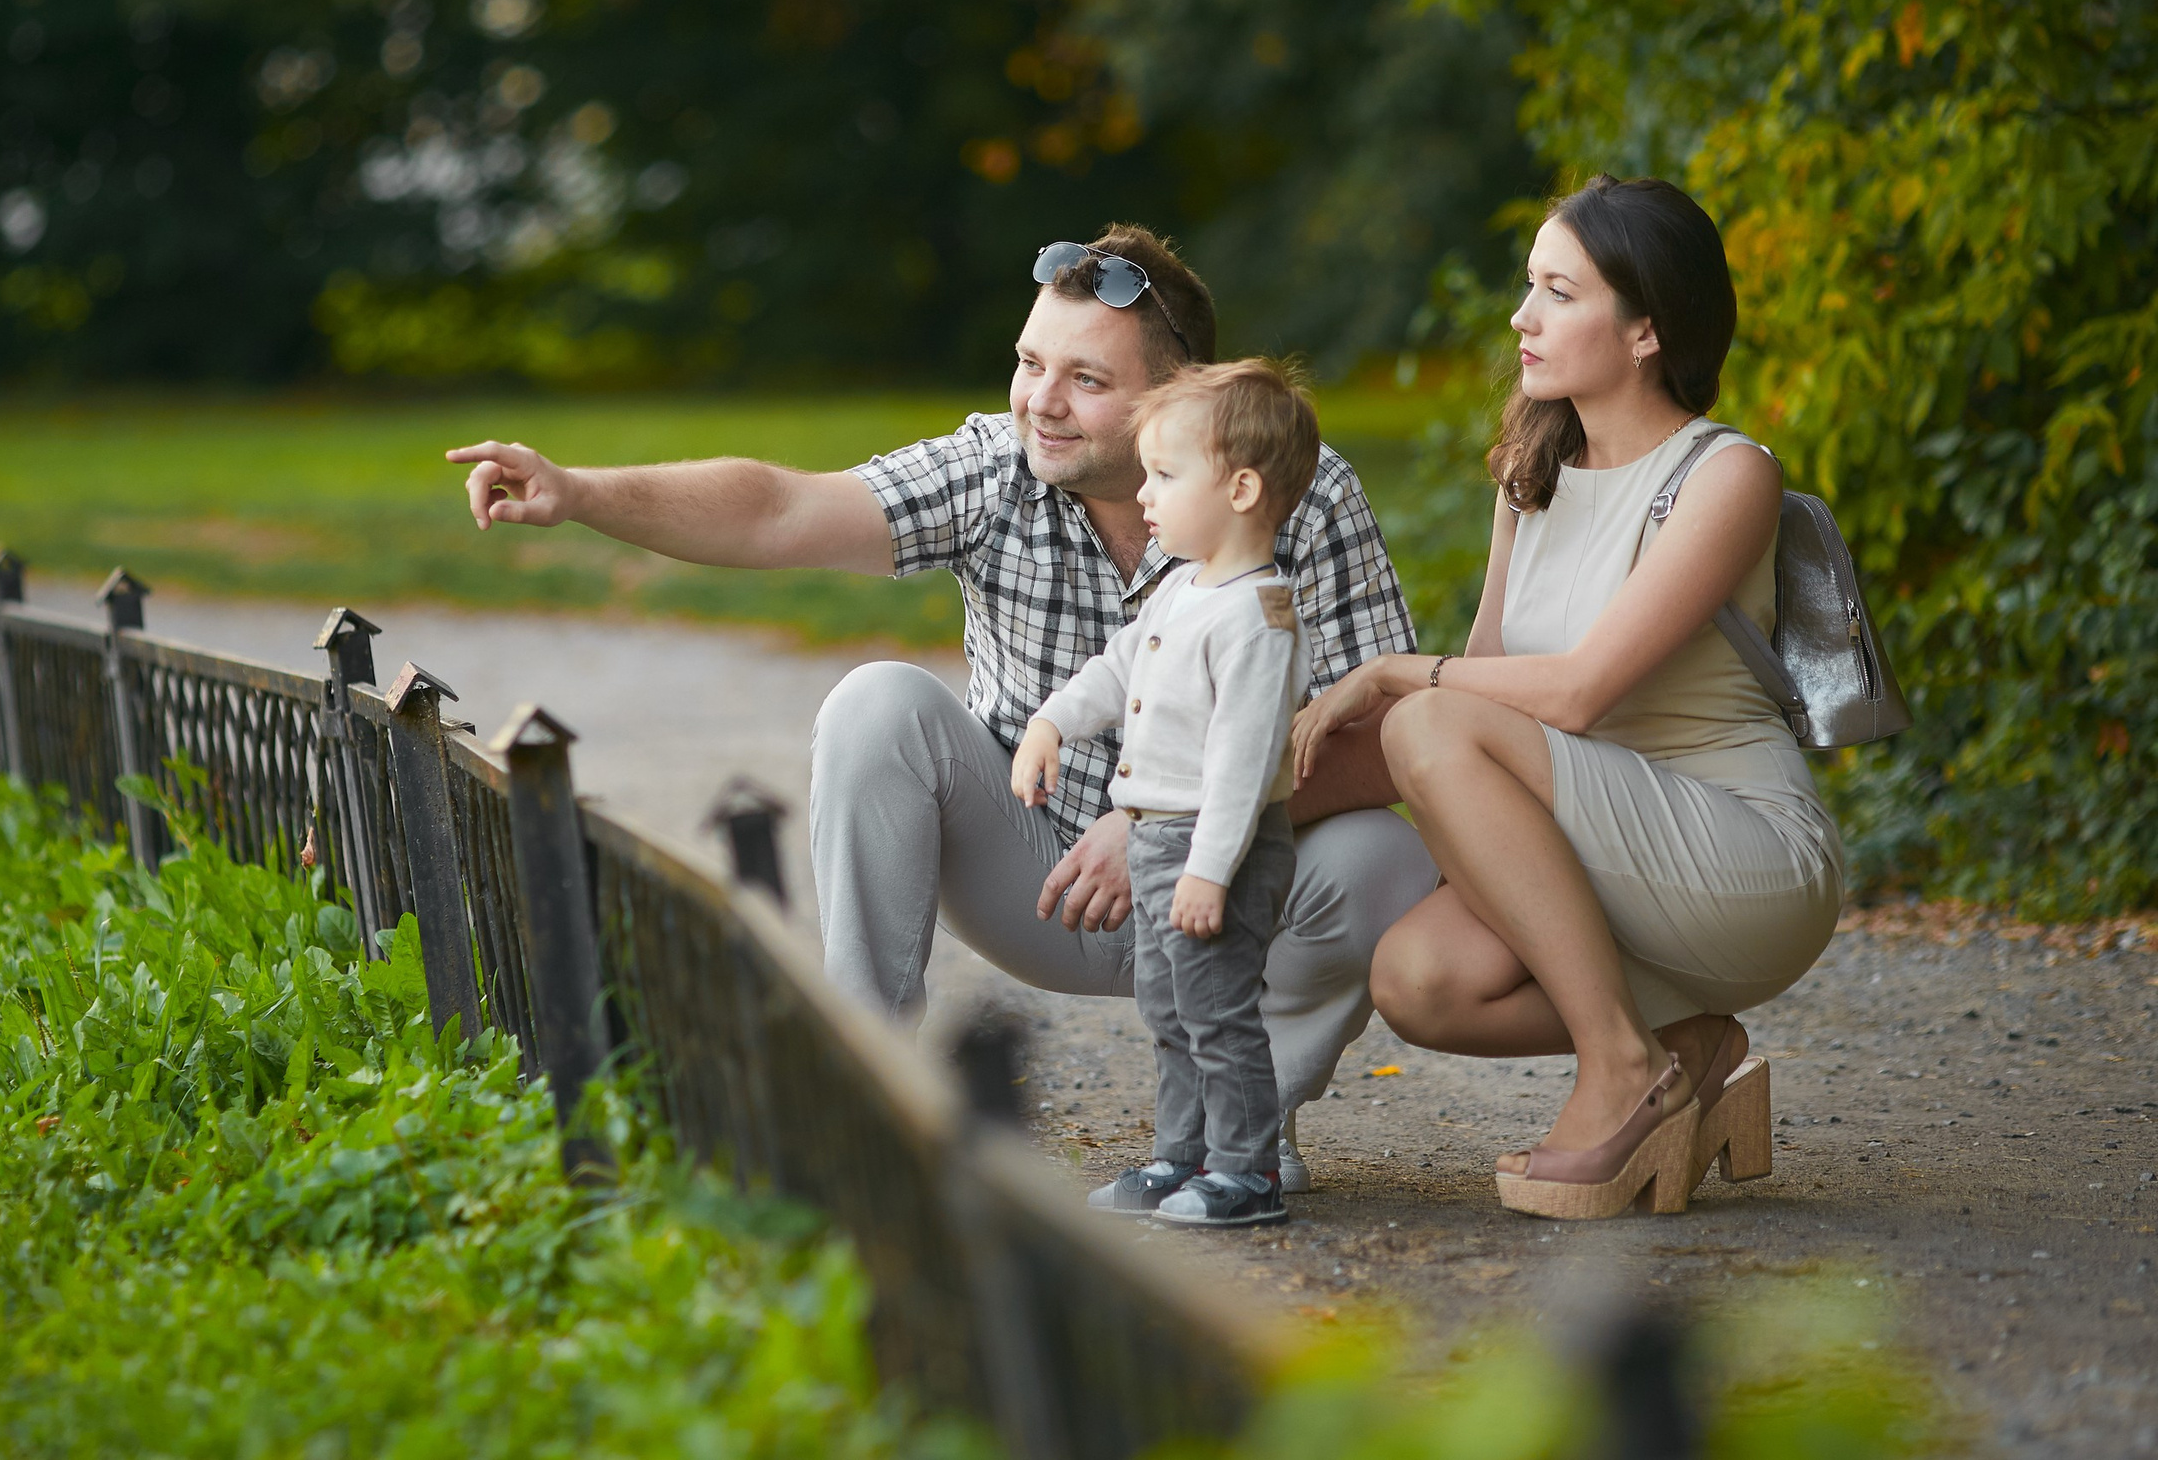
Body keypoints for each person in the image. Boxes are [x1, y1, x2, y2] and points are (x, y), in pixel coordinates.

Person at [446, 225, 1438, 1190]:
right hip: (1042, 876)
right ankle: (864, 1098)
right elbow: (777, 506)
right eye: (1028, 362)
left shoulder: (1301, 494)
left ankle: (1243, 1132)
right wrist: (577, 490)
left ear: (1177, 397)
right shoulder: (994, 467)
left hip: (1223, 881)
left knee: (1383, 859)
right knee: (877, 702)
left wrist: (1156, 821)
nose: (1040, 403)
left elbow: (1390, 736)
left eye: (1085, 380)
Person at [1288, 175, 1845, 1220]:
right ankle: (1684, 1048)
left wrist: (1391, 672)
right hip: (1601, 841)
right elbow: (1489, 696)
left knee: (1421, 711)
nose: (1519, 317)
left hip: (1739, 854)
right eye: (1526, 286)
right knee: (1417, 977)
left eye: (1556, 290)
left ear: (1644, 330)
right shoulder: (1529, 473)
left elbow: (1577, 693)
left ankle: (1620, 1065)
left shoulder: (1724, 475)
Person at [1016, 359, 1317, 1227]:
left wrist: (1210, 871)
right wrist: (1053, 724)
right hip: (1155, 841)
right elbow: (1118, 668)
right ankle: (1180, 1156)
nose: (1143, 493)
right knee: (1170, 1008)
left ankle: (1245, 1171)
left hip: (1209, 846)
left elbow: (1243, 763)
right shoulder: (1185, 585)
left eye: (1165, 474)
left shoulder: (1257, 619)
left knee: (1219, 1013)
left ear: (1242, 488)